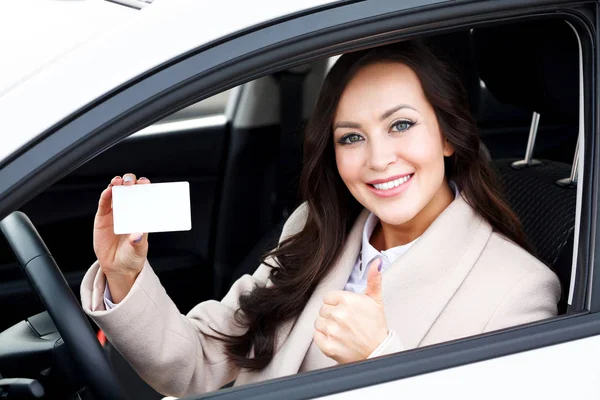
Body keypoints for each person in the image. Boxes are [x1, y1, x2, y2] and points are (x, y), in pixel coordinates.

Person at [81, 41, 560, 398]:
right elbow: (199, 363)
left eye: (401, 125)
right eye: (352, 137)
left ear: (448, 135)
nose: (378, 159)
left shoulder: (518, 290)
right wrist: (124, 275)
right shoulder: (314, 229)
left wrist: (380, 359)